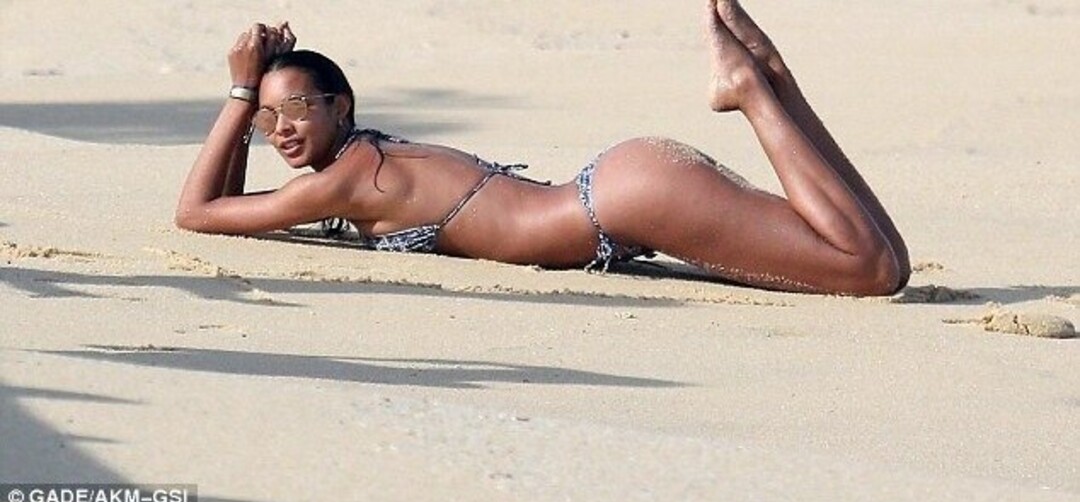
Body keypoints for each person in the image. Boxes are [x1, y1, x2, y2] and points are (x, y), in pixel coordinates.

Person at [176, 0, 910, 296]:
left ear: (341, 105)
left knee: (866, 270)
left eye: (296, 109)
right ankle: (775, 77)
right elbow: (230, 201)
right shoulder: (361, 160)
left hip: (625, 202)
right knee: (886, 257)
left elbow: (199, 211)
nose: (282, 130)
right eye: (268, 121)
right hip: (623, 187)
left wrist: (239, 91)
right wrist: (252, 101)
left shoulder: (346, 180)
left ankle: (750, 91)